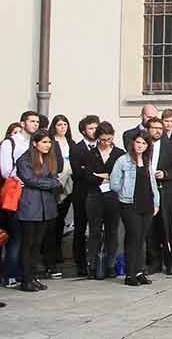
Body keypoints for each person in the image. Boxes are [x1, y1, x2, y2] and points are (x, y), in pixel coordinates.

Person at [110, 131, 159, 286]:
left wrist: (156, 203)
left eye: (144, 143)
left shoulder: (146, 160)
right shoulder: (123, 161)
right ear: (133, 143)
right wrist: (124, 190)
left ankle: (139, 272)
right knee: (133, 236)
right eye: (138, 142)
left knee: (141, 238)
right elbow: (114, 183)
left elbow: (152, 183)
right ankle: (129, 274)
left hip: (147, 203)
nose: (140, 146)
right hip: (129, 204)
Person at [14, 131, 62, 292]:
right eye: (44, 142)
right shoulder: (25, 159)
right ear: (35, 143)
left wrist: (51, 182)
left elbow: (53, 178)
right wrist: (52, 183)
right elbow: (30, 180)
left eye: (49, 142)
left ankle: (33, 276)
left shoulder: (49, 159)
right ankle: (25, 279)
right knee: (28, 243)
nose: (47, 145)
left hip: (45, 206)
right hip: (30, 205)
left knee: (37, 243)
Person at [1, 111, 39, 287]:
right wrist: (24, 180)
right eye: (31, 121)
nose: (35, 124)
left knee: (29, 236)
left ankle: (26, 273)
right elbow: (6, 169)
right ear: (23, 123)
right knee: (16, 235)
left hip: (32, 193)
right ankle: (10, 274)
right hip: (16, 191)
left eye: (37, 121)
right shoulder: (11, 143)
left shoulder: (34, 143)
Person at [144, 117, 172, 275]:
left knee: (166, 226)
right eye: (154, 128)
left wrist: (165, 173)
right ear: (148, 129)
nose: (157, 131)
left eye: (160, 128)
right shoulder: (142, 145)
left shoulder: (170, 147)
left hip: (165, 190)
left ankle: (170, 261)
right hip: (147, 191)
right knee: (150, 227)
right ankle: (154, 261)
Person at [85, 122, 123, 280]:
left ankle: (110, 264)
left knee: (112, 231)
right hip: (95, 194)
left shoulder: (119, 153)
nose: (105, 142)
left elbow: (119, 174)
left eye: (108, 139)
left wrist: (104, 175)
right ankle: (92, 265)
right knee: (94, 231)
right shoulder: (91, 153)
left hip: (113, 195)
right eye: (102, 139)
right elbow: (87, 174)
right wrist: (102, 177)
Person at [69, 115, 100, 277]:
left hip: (98, 193)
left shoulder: (102, 146)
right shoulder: (76, 148)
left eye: (96, 128)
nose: (94, 131)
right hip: (81, 193)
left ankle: (96, 261)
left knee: (97, 228)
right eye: (90, 128)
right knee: (80, 228)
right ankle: (80, 263)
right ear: (83, 130)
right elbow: (78, 172)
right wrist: (95, 173)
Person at [43, 114, 73, 278]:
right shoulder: (50, 143)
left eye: (65, 124)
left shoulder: (70, 142)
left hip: (69, 185)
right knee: (51, 225)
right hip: (55, 185)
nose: (62, 127)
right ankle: (49, 260)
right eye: (59, 124)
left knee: (61, 221)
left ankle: (57, 254)